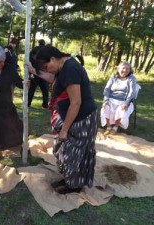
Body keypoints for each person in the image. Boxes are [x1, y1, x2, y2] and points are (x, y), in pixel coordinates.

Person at [27, 46, 98, 194]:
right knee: (64, 151)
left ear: (53, 59)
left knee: (74, 153)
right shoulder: (62, 67)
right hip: (73, 117)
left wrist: (65, 129)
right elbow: (54, 79)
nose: (48, 70)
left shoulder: (70, 69)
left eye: (47, 67)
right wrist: (35, 72)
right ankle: (70, 179)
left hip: (82, 119)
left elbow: (76, 102)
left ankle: (74, 185)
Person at [100, 61, 137, 135]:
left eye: (128, 69)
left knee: (121, 109)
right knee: (105, 107)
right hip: (111, 98)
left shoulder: (131, 78)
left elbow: (131, 92)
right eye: (123, 68)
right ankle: (108, 127)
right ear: (118, 69)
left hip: (123, 100)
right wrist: (106, 100)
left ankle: (115, 127)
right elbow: (107, 89)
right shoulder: (113, 77)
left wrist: (126, 103)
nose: (125, 70)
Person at [28, 39, 49, 109]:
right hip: (44, 73)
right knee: (45, 90)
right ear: (44, 43)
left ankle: (28, 104)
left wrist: (30, 73)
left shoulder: (34, 50)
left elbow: (29, 61)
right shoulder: (47, 50)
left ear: (38, 43)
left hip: (34, 72)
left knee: (31, 89)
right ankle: (45, 105)